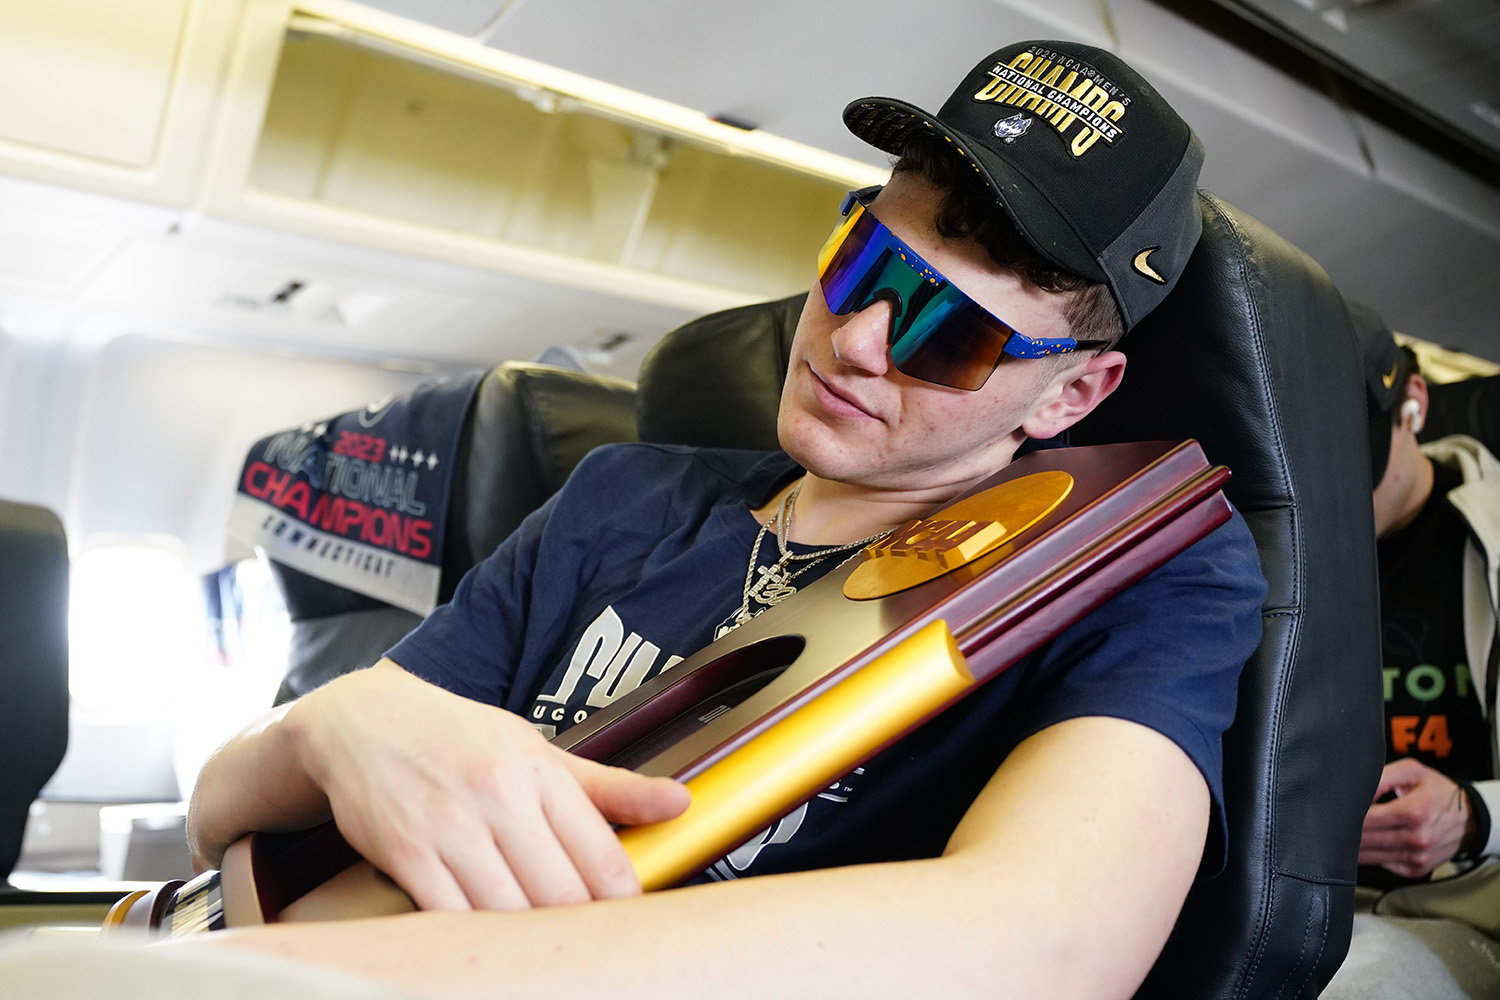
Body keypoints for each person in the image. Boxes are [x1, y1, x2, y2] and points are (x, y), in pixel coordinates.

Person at [183, 40, 1265, 999]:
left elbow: (1050, 947)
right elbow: (221, 806)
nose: (858, 341)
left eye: (952, 335)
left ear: (1072, 396)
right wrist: (334, 727)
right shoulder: (617, 498)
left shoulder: (1130, 562)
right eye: (863, 267)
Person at [1320, 305, 1500, 1000]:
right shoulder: (1276, 549)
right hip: (1313, 901)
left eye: (1354, 455)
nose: (1333, 485)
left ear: (1414, 406)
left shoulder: (1486, 539)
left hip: (1472, 906)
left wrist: (1472, 815)